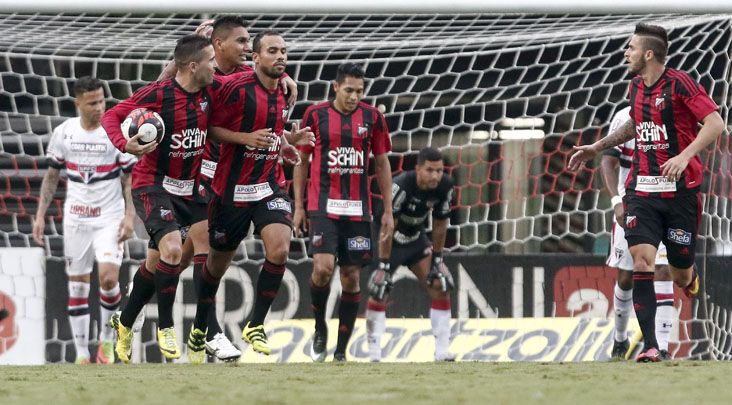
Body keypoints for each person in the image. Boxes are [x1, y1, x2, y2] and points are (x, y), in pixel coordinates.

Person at [569, 23, 724, 362]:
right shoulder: (635, 87)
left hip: (681, 192)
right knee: (643, 262)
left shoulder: (680, 83)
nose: (626, 53)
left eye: (631, 48)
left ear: (649, 54)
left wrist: (684, 156)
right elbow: (634, 125)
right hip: (642, 191)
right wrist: (597, 147)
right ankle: (652, 346)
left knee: (680, 272)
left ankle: (691, 277)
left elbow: (715, 123)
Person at [187, 30, 313, 359]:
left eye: (284, 50)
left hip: (267, 185)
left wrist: (286, 143)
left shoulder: (286, 91)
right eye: (272, 51)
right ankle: (201, 327)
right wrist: (245, 138)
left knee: (280, 247)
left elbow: (271, 130)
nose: (280, 56)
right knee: (214, 267)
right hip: (230, 191)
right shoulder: (234, 88)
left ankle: (254, 324)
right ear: (256, 58)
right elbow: (210, 128)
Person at [101, 35, 218, 363]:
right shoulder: (158, 95)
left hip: (189, 189)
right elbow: (112, 116)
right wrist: (126, 145)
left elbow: (245, 79)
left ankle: (124, 323)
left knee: (157, 264)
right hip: (153, 185)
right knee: (172, 251)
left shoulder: (211, 92)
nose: (215, 66)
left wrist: (283, 78)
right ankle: (166, 327)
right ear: (193, 66)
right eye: (210, 60)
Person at [292, 62, 394, 362]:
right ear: (335, 87)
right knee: (322, 269)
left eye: (360, 91)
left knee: (351, 277)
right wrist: (298, 206)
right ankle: (320, 326)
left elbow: (382, 162)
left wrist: (387, 209)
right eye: (349, 90)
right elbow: (301, 160)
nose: (354, 96)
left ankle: (341, 350)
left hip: (358, 210)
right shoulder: (315, 114)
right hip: (323, 206)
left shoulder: (373, 117)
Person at [32, 76, 137, 364]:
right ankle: (81, 354)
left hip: (109, 218)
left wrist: (130, 216)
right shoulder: (64, 133)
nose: (99, 107)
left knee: (108, 278)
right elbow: (52, 177)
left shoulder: (114, 134)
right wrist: (40, 216)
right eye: (92, 103)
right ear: (78, 103)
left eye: (102, 101)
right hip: (76, 219)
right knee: (77, 284)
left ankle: (105, 342)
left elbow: (129, 179)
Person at [363, 147, 455, 362]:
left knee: (439, 285)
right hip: (388, 240)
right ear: (418, 169)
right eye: (430, 170)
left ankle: (442, 352)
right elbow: (387, 226)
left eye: (439, 170)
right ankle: (374, 353)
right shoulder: (402, 186)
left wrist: (438, 258)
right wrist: (384, 265)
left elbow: (441, 224)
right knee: (380, 289)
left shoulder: (446, 186)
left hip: (415, 239)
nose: (435, 176)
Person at [601, 106, 675, 360]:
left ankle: (662, 348)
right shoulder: (624, 117)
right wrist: (616, 202)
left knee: (663, 269)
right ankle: (620, 338)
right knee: (628, 276)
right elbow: (608, 162)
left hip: (663, 204)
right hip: (630, 204)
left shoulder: (671, 115)